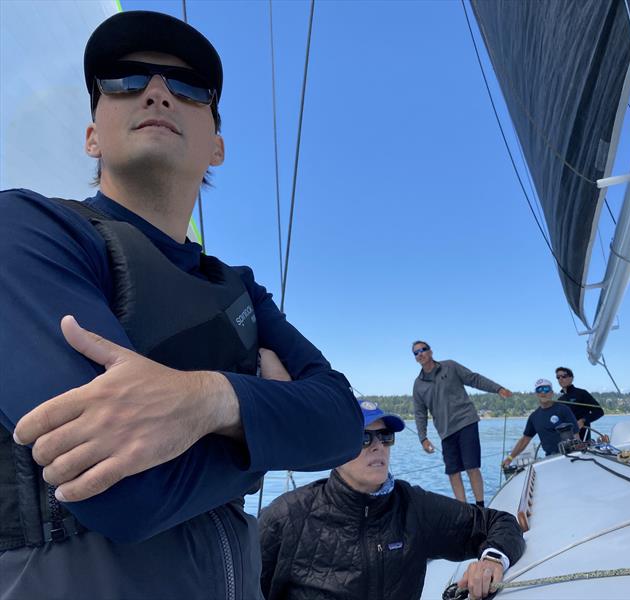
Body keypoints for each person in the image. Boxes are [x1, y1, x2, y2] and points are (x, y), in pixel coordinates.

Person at [0, 11, 363, 599]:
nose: (158, 92)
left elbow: (342, 422)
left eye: (189, 88)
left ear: (216, 146)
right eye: (124, 79)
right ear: (92, 134)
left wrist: (204, 402)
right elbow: (123, 494)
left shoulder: (240, 289)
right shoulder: (26, 231)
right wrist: (269, 422)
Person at [259, 399, 525, 600]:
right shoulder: (288, 517)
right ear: (334, 448)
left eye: (385, 436)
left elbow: (497, 522)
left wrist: (491, 561)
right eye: (364, 438)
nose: (379, 446)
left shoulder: (413, 507)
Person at [411, 341, 512, 507]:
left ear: (430, 351)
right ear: (415, 358)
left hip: (466, 422)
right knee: (453, 472)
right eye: (415, 353)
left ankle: (480, 507)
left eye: (422, 350)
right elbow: (420, 413)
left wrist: (498, 389)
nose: (419, 354)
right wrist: (423, 438)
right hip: (445, 431)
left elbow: (474, 379)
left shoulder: (450, 366)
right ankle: (464, 509)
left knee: (472, 467)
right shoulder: (418, 385)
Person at [502, 378, 579, 465]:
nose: (543, 392)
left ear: (552, 393)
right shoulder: (534, 417)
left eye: (546, 389)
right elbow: (524, 440)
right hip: (551, 458)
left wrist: (578, 454)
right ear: (536, 394)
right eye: (539, 390)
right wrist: (510, 458)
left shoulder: (563, 409)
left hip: (570, 455)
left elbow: (576, 435)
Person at [555, 366, 604, 441]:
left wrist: (583, 420)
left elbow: (599, 412)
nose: (560, 379)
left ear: (571, 378)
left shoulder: (582, 393)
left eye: (564, 376)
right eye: (558, 377)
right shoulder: (560, 400)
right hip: (567, 441)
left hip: (584, 440)